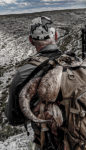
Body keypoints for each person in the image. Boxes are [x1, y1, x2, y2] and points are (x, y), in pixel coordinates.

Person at [6, 16, 62, 149]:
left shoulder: (23, 73)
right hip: (84, 139)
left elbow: (13, 118)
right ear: (56, 35)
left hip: (49, 143)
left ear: (31, 40)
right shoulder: (76, 63)